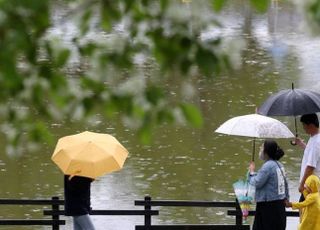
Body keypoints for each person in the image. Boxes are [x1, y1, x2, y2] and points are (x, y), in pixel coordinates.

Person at [249, 139, 289, 230]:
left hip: (268, 207)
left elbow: (257, 183)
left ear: (266, 152)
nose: (260, 149)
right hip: (279, 206)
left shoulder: (268, 166)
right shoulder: (279, 164)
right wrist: (286, 197)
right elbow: (285, 184)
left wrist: (251, 172)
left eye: (262, 147)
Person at [295, 114, 320, 202]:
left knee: (304, 212)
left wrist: (301, 184)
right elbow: (313, 155)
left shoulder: (316, 142)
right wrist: (302, 145)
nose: (303, 128)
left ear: (311, 125)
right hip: (312, 185)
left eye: (304, 125)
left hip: (310, 186)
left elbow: (310, 167)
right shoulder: (314, 137)